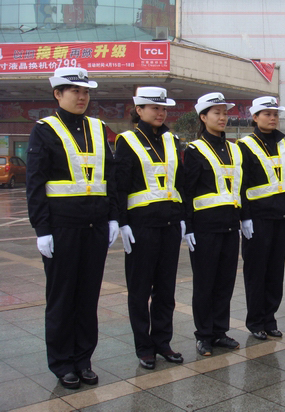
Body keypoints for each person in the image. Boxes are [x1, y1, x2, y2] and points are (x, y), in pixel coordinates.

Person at [26, 67, 119, 389]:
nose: (82, 97)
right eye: (74, 91)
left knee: (88, 296)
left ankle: (83, 359)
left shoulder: (97, 127)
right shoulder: (44, 130)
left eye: (86, 92)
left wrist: (112, 218)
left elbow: (110, 178)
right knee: (62, 297)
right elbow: (35, 183)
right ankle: (63, 363)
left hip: (94, 225)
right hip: (62, 227)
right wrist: (42, 230)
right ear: (58, 94)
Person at [115, 87, 185, 370]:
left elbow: (179, 183)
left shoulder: (171, 139)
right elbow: (119, 185)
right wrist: (122, 223)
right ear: (139, 110)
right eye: (153, 108)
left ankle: (162, 342)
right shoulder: (127, 141)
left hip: (169, 224)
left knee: (166, 289)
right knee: (140, 289)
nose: (160, 113)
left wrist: (182, 217)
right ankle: (144, 347)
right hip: (141, 226)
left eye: (163, 108)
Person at [183, 92, 243, 356]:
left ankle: (220, 331)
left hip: (230, 225)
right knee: (205, 283)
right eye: (216, 113)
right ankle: (204, 335)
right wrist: (189, 227)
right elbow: (187, 190)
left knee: (225, 282)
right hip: (205, 227)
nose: (222, 117)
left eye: (224, 112)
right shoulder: (194, 151)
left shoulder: (234, 148)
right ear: (203, 117)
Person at [238, 96, 285, 340]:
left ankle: (270, 319)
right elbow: (241, 184)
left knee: (275, 272)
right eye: (267, 114)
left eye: (275, 114)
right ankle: (255, 321)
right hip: (257, 219)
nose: (273, 118)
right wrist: (245, 217)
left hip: (280, 217)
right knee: (256, 272)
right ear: (255, 117)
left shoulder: (284, 144)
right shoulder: (244, 145)